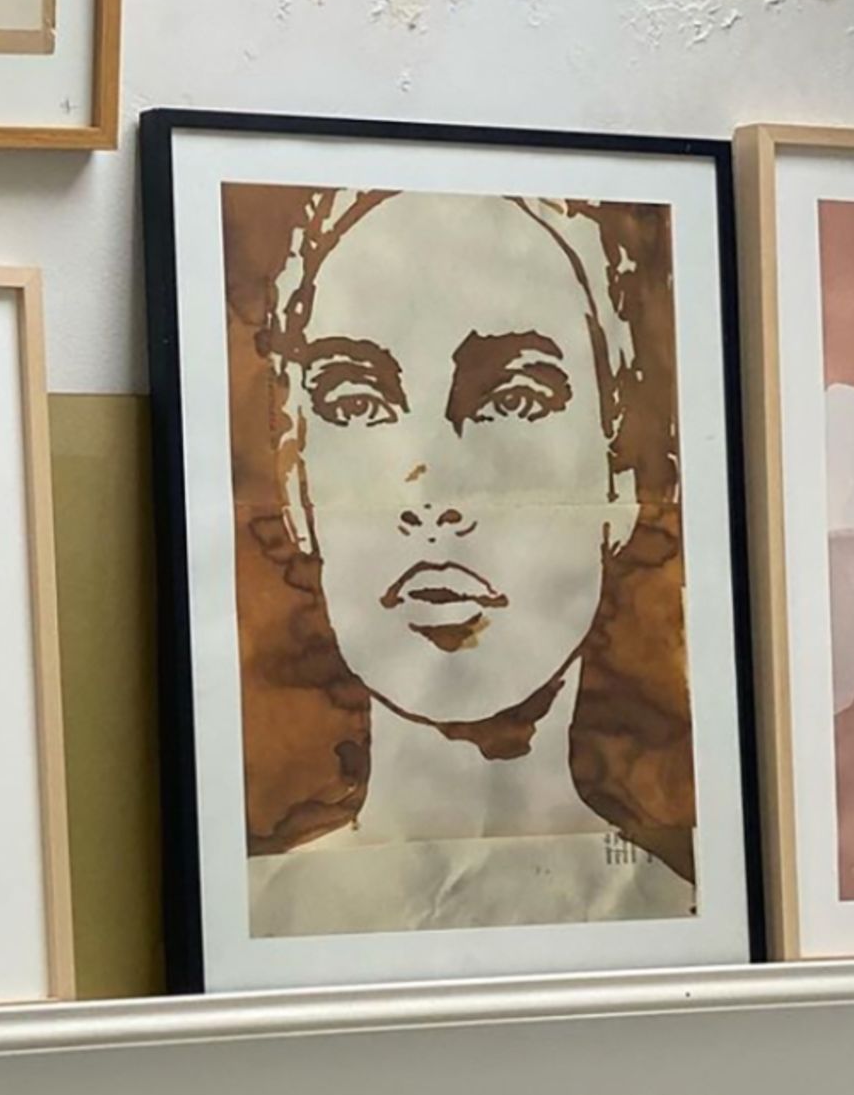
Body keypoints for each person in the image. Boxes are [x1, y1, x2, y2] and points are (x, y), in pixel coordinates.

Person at [244, 188, 696, 937]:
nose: (432, 494)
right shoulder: (256, 922)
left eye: (513, 401)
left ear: (620, 479)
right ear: (295, 489)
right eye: (356, 405)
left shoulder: (688, 917)